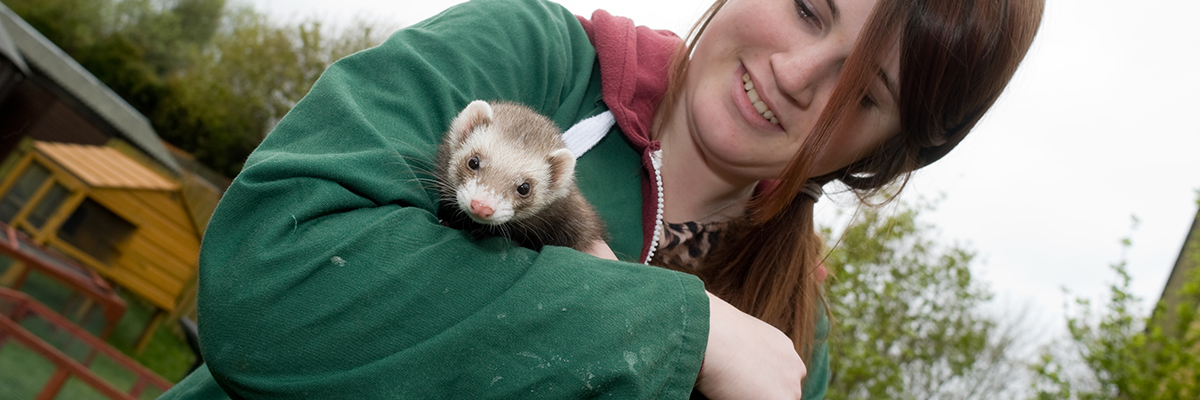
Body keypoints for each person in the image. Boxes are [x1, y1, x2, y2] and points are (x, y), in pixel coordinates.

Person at [159, 0, 1042, 398]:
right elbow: (265, 285)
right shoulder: (524, 60)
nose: (802, 75)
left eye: (866, 91)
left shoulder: (793, 346)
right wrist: (672, 326)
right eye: (810, 8)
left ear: (886, 149)